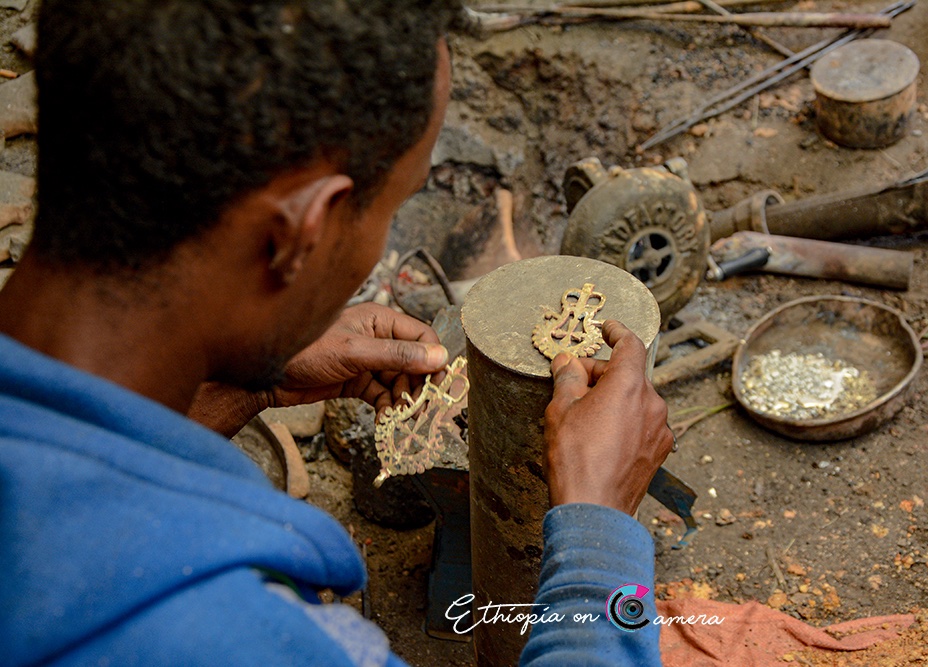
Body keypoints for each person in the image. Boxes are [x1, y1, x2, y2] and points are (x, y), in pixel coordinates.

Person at [0, 1, 674, 665]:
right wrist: (597, 541)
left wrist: (242, 386)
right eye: (393, 204)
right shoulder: (250, 639)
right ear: (302, 232)